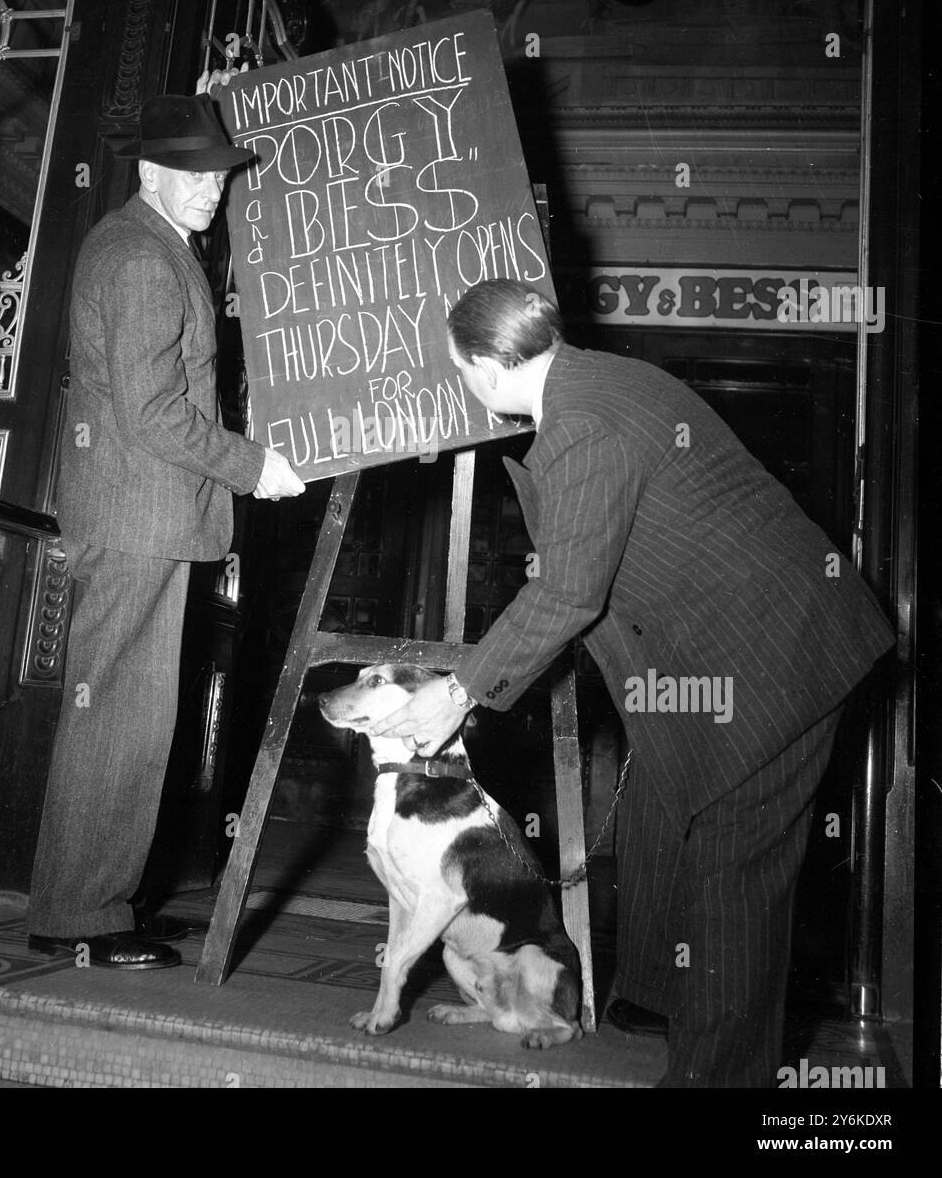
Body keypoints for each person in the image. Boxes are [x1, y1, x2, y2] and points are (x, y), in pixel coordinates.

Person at [371, 278, 894, 1085]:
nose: (463, 387)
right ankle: (654, 997)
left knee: (733, 875)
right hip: (735, 647)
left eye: (459, 370)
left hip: (772, 661)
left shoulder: (581, 423)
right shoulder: (600, 380)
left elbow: (570, 590)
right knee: (664, 806)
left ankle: (718, 1076)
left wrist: (459, 689)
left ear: (484, 363)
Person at [27, 91, 304, 969]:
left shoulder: (145, 246)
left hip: (143, 512)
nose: (211, 191)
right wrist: (252, 465)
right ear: (150, 171)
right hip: (138, 512)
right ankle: (81, 914)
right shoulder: (144, 260)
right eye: (192, 174)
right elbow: (152, 414)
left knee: (132, 715)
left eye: (218, 176)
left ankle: (107, 901)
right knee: (118, 716)